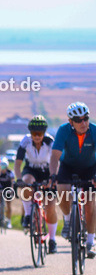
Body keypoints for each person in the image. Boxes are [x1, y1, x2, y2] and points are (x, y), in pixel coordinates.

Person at [50, 102, 96, 258]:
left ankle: (90, 241)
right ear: (71, 122)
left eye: (85, 118)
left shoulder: (94, 130)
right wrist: (53, 174)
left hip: (90, 168)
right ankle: (68, 220)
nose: (83, 123)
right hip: (68, 167)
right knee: (62, 190)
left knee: (90, 203)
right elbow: (55, 156)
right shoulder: (64, 130)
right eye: (78, 120)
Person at [14, 115, 58, 252]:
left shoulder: (50, 142)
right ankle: (28, 215)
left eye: (39, 133)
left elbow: (56, 162)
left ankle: (52, 239)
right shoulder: (25, 141)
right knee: (27, 182)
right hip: (31, 169)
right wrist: (19, 179)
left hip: (47, 171)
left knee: (50, 206)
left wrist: (52, 179)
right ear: (30, 133)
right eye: (34, 133)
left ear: (44, 133)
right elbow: (18, 163)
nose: (37, 136)